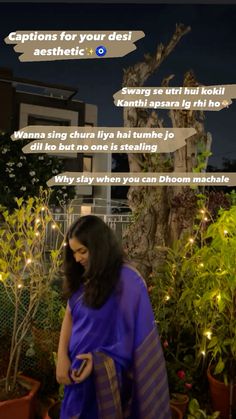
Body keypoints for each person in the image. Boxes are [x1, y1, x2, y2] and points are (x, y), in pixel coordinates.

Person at [57, 215, 171, 419]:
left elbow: (132, 336)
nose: (77, 259)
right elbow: (70, 314)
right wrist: (62, 357)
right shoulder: (83, 276)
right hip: (78, 376)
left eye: (82, 251)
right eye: (73, 252)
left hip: (111, 382)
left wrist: (98, 361)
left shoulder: (128, 281)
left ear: (99, 247)